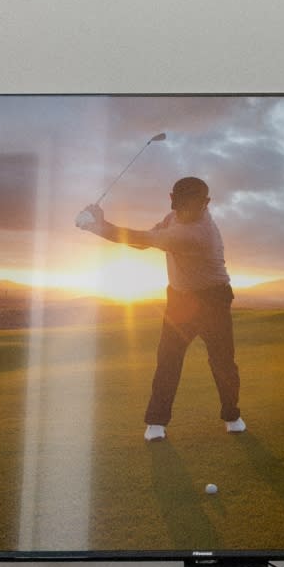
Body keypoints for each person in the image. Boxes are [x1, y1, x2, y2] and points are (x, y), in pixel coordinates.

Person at [78, 176, 245, 441]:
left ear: (206, 203)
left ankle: (232, 416)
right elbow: (145, 242)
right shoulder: (172, 218)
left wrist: (96, 226)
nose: (185, 212)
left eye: (193, 206)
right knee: (168, 360)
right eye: (181, 205)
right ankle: (156, 423)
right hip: (179, 300)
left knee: (222, 362)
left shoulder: (197, 234)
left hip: (213, 299)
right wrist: (102, 224)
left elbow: (141, 237)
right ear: (172, 200)